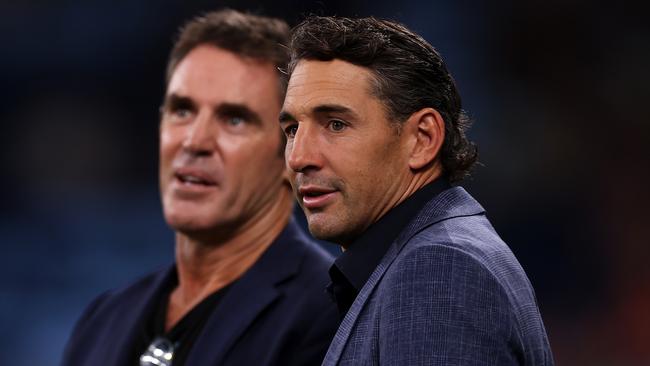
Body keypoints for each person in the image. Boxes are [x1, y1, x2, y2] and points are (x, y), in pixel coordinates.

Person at [62, 10, 338, 366]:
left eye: (234, 118)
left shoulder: (330, 314)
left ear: (290, 153)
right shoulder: (104, 319)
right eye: (182, 110)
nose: (194, 141)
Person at [280, 16, 554, 365]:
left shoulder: (438, 269)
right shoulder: (425, 256)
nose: (299, 157)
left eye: (336, 124)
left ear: (422, 139)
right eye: (291, 129)